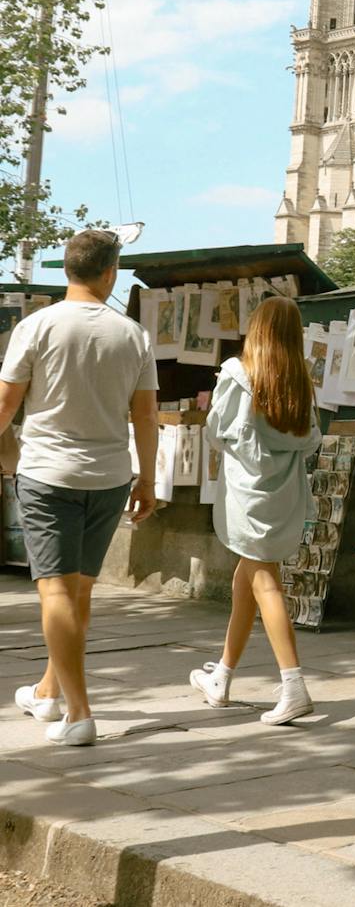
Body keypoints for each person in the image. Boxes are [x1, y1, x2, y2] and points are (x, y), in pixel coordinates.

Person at [0, 230, 158, 747]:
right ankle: (48, 692)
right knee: (79, 591)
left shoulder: (36, 327)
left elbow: (5, 407)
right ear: (111, 272)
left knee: (54, 592)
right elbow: (145, 417)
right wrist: (149, 479)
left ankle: (80, 713)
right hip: (111, 476)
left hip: (49, 475)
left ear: (68, 269)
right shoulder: (132, 334)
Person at [187, 296, 323, 725]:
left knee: (264, 582)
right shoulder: (300, 380)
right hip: (284, 494)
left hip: (247, 493)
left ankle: (294, 684)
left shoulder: (237, 373)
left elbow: (216, 429)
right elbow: (312, 439)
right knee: (245, 581)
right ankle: (223, 676)